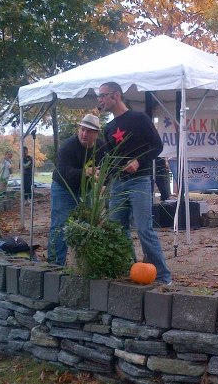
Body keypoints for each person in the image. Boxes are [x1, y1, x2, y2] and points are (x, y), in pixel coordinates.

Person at [97, 81, 172, 285]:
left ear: (117, 96)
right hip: (117, 184)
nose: (100, 100)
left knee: (143, 228)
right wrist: (103, 175)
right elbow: (110, 158)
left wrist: (139, 161)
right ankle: (130, 268)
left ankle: (163, 276)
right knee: (117, 228)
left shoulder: (139, 118)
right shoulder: (108, 128)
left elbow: (157, 146)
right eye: (99, 96)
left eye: (103, 95)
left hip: (140, 181)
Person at [47, 114, 105, 265]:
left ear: (96, 134)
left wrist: (104, 180)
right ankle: (55, 264)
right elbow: (64, 171)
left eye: (89, 131)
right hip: (63, 187)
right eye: (82, 129)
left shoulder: (102, 147)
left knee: (89, 223)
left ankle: (85, 264)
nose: (84, 134)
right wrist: (85, 173)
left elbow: (107, 168)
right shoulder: (67, 146)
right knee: (60, 224)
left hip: (88, 190)